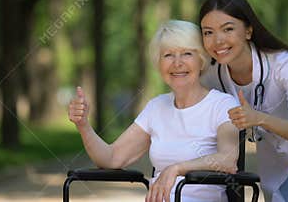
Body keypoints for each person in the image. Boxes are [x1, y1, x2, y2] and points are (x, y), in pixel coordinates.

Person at [68, 20, 241, 202]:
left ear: (201, 60)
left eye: (187, 53)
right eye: (168, 55)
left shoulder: (222, 104)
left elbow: (227, 161)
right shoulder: (156, 107)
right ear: (159, 64)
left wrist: (177, 168)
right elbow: (111, 158)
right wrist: (83, 125)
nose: (177, 63)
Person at [198, 0, 288, 202]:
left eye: (228, 29)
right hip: (277, 150)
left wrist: (258, 118)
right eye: (208, 32)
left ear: (248, 31)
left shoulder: (283, 63)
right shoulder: (212, 76)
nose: (218, 40)